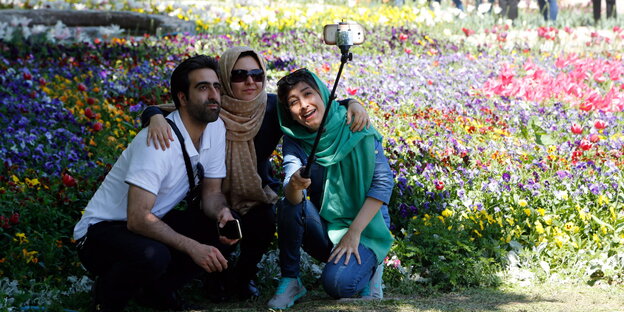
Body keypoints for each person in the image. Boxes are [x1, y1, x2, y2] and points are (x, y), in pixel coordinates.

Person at [141, 46, 370, 301]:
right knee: (216, 223)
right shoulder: (213, 106)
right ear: (225, 78)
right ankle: (213, 277)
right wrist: (154, 117)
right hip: (211, 192)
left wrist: (352, 103)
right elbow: (165, 109)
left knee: (262, 220)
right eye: (239, 75)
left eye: (257, 74)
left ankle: (243, 277)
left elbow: (319, 108)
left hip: (256, 189)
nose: (250, 81)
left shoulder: (271, 107)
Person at [73, 55, 238, 312]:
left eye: (216, 86)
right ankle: (106, 299)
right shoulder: (158, 141)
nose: (214, 94)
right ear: (182, 98)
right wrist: (192, 247)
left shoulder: (216, 128)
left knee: (221, 227)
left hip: (145, 221)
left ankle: (155, 294)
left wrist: (222, 212)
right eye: (203, 87)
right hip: (100, 233)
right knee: (153, 255)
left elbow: (212, 193)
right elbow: (137, 218)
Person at [267, 68, 394, 309]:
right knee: (288, 203)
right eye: (294, 102)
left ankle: (373, 267)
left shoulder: (355, 121)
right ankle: (290, 280)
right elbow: (292, 192)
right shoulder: (296, 139)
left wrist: (353, 233)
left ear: (323, 93)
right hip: (326, 226)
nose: (304, 105)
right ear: (289, 114)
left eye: (308, 94)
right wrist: (294, 185)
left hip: (366, 225)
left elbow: (383, 183)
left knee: (337, 286)